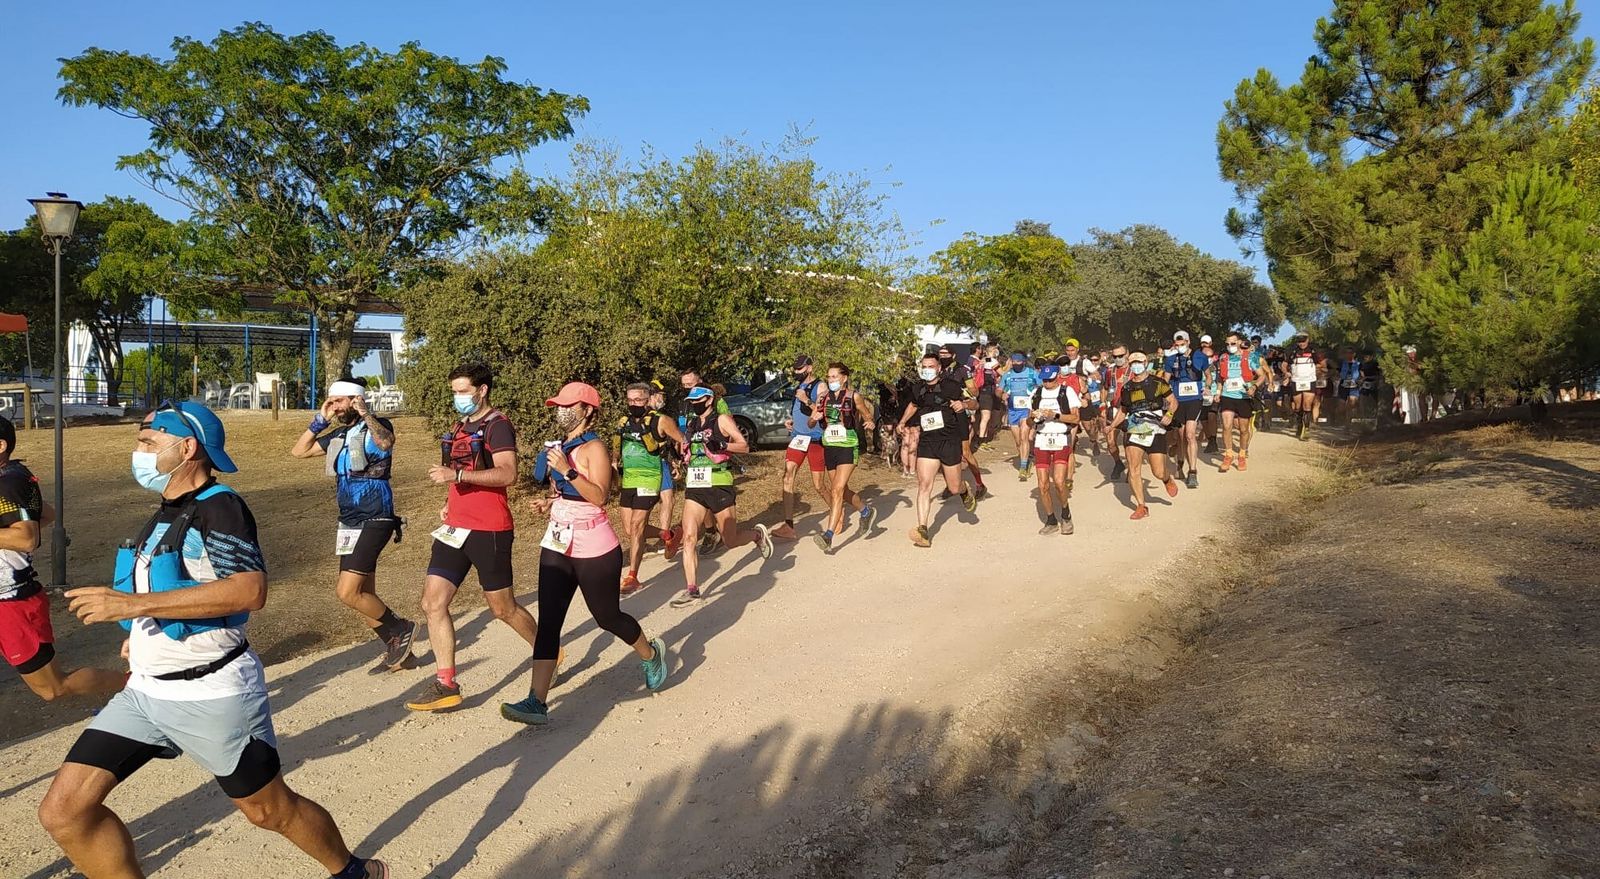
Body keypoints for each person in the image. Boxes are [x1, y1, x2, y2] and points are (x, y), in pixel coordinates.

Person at [44, 402, 387, 879]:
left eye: (148, 442)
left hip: (212, 692)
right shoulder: (167, 511)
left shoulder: (221, 507)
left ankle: (352, 872)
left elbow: (251, 589)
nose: (137, 452)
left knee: (269, 811)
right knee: (64, 811)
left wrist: (132, 607)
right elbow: (170, 587)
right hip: (145, 693)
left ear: (186, 448)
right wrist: (139, 635)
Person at [501, 383, 669, 724]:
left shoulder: (594, 448)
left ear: (587, 410)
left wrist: (567, 469)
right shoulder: (561, 446)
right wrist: (548, 502)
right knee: (549, 622)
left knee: (607, 617)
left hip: (594, 546)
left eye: (569, 405)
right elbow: (570, 495)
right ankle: (537, 701)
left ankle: (651, 654)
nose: (561, 410)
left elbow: (599, 496)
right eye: (559, 405)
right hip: (558, 542)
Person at [407, 363, 540, 713]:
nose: (458, 397)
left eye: (463, 390)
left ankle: (547, 653)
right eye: (454, 391)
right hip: (455, 529)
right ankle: (446, 683)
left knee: (502, 608)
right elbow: (454, 478)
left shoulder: (498, 425)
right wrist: (448, 504)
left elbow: (508, 473)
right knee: (432, 603)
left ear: (482, 391)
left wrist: (459, 474)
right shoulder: (459, 427)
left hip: (489, 529)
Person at [290, 379, 416, 672]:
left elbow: (385, 442)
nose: (335, 406)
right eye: (331, 401)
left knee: (347, 592)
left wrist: (365, 413)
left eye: (339, 401)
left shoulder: (378, 425)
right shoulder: (338, 434)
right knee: (362, 594)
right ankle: (402, 655)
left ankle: (401, 628)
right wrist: (319, 420)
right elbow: (298, 451)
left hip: (375, 515)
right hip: (348, 521)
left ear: (356, 400)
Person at [0, 416, 123, 702]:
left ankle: (134, 684)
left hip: (11, 603)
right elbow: (46, 513)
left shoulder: (8, 484)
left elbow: (27, 538)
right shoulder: (13, 478)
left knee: (53, 687)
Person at [669, 386, 774, 606]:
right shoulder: (691, 424)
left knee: (730, 539)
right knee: (689, 538)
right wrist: (679, 462)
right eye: (691, 400)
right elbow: (689, 451)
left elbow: (745, 446)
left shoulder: (722, 419)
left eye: (697, 400)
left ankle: (757, 536)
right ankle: (692, 589)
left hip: (719, 482)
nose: (693, 403)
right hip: (695, 486)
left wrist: (723, 444)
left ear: (709, 400)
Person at [614, 382, 687, 594]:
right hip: (629, 479)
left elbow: (682, 440)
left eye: (638, 400)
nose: (634, 404)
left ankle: (632, 576)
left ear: (648, 400)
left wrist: (678, 462)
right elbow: (618, 447)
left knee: (637, 527)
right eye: (630, 400)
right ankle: (668, 535)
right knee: (630, 529)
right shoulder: (624, 421)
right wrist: (613, 462)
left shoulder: (661, 420)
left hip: (649, 479)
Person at [899, 354, 976, 547]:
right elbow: (913, 405)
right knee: (924, 484)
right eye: (924, 366)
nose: (927, 369)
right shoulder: (918, 388)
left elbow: (974, 402)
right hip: (927, 442)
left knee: (954, 487)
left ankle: (964, 490)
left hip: (949, 441)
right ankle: (923, 529)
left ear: (939, 368)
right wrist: (902, 421)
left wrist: (964, 404)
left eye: (930, 366)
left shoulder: (951, 386)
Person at [809, 363, 877, 553]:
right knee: (841, 490)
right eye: (829, 377)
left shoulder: (853, 396)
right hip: (829, 445)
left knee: (837, 489)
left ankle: (828, 535)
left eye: (834, 377)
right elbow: (811, 421)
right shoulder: (823, 398)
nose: (831, 380)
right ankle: (865, 511)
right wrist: (814, 418)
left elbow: (867, 415)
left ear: (844, 378)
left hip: (848, 445)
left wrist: (870, 423)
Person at [1108, 352, 1180, 519]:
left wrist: (1169, 414)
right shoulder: (1127, 387)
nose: (1135, 365)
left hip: (1155, 428)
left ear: (1146, 362)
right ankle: (1142, 506)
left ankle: (1167, 479)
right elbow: (1123, 410)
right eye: (1132, 362)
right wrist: (1111, 426)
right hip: (1134, 428)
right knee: (1133, 468)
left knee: (1158, 471)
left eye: (1138, 362)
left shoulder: (1158, 383)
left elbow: (1173, 401)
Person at [776, 356, 829, 541]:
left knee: (818, 485)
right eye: (795, 369)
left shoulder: (820, 387)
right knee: (787, 475)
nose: (797, 372)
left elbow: (822, 413)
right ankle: (788, 525)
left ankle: (836, 511)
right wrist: (791, 420)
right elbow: (797, 410)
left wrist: (806, 400)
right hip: (798, 438)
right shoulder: (798, 388)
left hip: (815, 440)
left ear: (810, 368)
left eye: (800, 369)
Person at [1029, 365, 1081, 534]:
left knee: (1059, 481)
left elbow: (1075, 418)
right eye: (1044, 380)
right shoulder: (1036, 393)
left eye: (1050, 379)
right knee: (1042, 484)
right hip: (1042, 439)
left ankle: (1066, 514)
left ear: (1057, 376)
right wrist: (1033, 418)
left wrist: (1056, 416)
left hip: (1060, 438)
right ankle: (1051, 520)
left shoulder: (1067, 392)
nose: (1047, 383)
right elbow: (1029, 421)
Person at [937, 345, 988, 499]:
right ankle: (950, 484)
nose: (943, 357)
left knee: (965, 452)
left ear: (953, 355)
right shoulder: (938, 369)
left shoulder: (962, 370)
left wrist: (964, 393)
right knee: (941, 451)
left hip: (959, 413)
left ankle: (979, 484)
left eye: (946, 354)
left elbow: (974, 390)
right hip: (941, 414)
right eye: (940, 354)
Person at [1162, 331, 1209, 489]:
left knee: (1190, 434)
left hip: (1194, 399)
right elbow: (1165, 379)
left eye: (1183, 344)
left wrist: (1208, 387)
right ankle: (1180, 465)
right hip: (1177, 400)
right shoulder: (1170, 359)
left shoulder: (1200, 356)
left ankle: (1193, 471)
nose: (1180, 347)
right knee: (1180, 435)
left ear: (1188, 342)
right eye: (1177, 344)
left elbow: (1208, 375)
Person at [1212, 332, 1262, 470]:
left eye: (1233, 343)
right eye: (1227, 344)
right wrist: (1218, 392)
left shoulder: (1250, 357)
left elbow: (1262, 375)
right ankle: (1228, 455)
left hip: (1244, 397)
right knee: (1227, 426)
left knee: (1243, 429)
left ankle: (1241, 454)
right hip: (1228, 396)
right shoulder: (1223, 358)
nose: (1230, 346)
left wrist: (1254, 386)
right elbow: (1220, 378)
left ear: (1240, 342)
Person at [998, 352, 1042, 481]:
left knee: (1024, 437)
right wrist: (1001, 395)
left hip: (1027, 410)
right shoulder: (1008, 375)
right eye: (1014, 361)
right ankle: (1025, 458)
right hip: (1012, 410)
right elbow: (999, 390)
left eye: (1019, 361)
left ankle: (1023, 467)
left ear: (1024, 361)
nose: (1016, 364)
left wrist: (1035, 400)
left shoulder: (1032, 373)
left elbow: (1041, 386)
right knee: (1018, 441)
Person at [1283, 333, 1325, 440]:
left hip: (1309, 380)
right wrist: (1286, 373)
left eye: (1303, 341)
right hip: (1296, 380)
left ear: (1308, 340)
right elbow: (1284, 364)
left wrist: (1318, 369)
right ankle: (1299, 426)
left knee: (1307, 405)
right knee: (1297, 406)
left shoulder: (1313, 351)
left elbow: (1322, 364)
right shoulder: (1292, 351)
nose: (1301, 343)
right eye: (1299, 341)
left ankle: (1306, 429)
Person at [1336, 348, 1363, 423]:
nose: (1349, 354)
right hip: (1343, 385)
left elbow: (1362, 374)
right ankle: (1341, 417)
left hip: (1354, 386)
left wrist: (1361, 380)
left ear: (1354, 354)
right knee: (1341, 407)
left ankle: (1348, 423)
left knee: (1351, 404)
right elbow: (1337, 373)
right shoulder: (1342, 363)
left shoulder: (1359, 364)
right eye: (1347, 353)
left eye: (1351, 353)